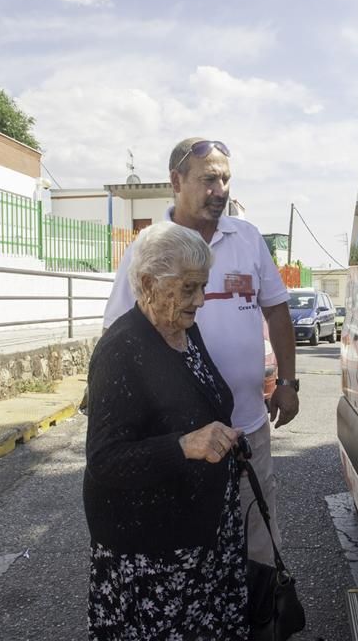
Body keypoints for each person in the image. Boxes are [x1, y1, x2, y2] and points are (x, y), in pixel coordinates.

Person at [103, 138, 299, 566]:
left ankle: (263, 622)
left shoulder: (247, 238)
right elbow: (116, 334)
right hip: (182, 440)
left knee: (259, 539)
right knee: (195, 549)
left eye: (226, 178)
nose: (220, 189)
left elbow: (278, 312)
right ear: (176, 181)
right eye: (208, 179)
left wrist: (287, 382)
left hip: (248, 427)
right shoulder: (148, 248)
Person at [85, 221, 248, 639]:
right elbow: (105, 461)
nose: (201, 299)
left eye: (203, 286)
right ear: (146, 283)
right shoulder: (121, 350)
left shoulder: (185, 332)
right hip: (155, 552)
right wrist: (184, 446)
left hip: (202, 536)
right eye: (189, 287)